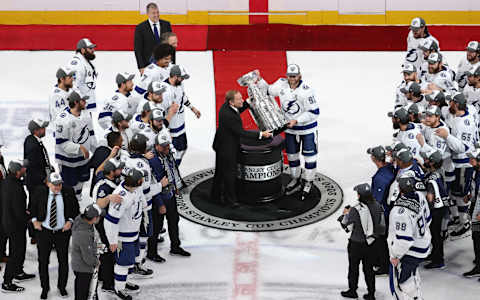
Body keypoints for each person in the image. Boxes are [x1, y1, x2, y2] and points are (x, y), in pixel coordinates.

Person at [257, 64, 319, 199]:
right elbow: (268, 90)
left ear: (299, 76)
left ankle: (308, 181)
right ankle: (295, 179)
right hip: (290, 130)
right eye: (290, 76)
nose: (292, 79)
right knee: (292, 156)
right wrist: (260, 80)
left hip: (307, 129)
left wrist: (297, 120)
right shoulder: (281, 84)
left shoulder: (307, 91)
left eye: (294, 76)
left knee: (310, 157)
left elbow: (314, 112)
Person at [211, 90, 272, 207]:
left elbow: (238, 109)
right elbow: (241, 132)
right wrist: (261, 134)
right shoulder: (229, 116)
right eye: (239, 99)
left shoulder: (227, 106)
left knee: (220, 172)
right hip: (227, 148)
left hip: (220, 144)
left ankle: (215, 195)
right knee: (229, 174)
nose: (242, 100)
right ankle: (230, 201)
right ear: (231, 102)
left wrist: (249, 102)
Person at [30, 172, 80, 299]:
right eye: (54, 184)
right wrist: (35, 221)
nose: (57, 187)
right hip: (44, 232)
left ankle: (62, 287)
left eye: (59, 184)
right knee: (43, 261)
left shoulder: (68, 192)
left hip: (62, 233)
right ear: (48, 183)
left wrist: (70, 221)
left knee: (63, 260)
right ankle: (45, 288)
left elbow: (75, 210)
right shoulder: (39, 192)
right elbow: (31, 208)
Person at [388, 172, 431, 300]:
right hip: (424, 242)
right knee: (412, 273)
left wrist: (395, 255)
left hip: (412, 251)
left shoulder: (399, 212)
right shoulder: (420, 196)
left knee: (403, 282)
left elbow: (405, 241)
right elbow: (428, 219)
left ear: (400, 189)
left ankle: (416, 297)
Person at [338, 183, 385, 300]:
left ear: (360, 196)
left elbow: (347, 227)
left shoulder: (355, 210)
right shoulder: (378, 206)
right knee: (369, 270)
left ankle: (352, 291)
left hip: (356, 244)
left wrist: (344, 215)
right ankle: (371, 293)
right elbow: (382, 227)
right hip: (371, 244)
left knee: (353, 268)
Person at [148, 131, 190, 260]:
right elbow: (154, 184)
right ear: (157, 146)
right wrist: (160, 204)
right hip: (159, 198)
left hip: (170, 194)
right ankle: (152, 253)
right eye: (164, 146)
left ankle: (175, 246)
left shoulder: (167, 152)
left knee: (173, 221)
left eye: (168, 145)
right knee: (156, 227)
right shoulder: (152, 160)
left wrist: (177, 186)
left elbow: (173, 169)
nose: (167, 148)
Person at [104, 168, 145, 300]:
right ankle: (119, 289)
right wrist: (113, 241)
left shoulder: (136, 189)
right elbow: (110, 221)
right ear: (138, 181)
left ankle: (123, 282)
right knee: (122, 263)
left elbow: (140, 200)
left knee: (128, 262)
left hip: (134, 233)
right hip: (123, 237)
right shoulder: (120, 198)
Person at [440, 93, 477, 237]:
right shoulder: (458, 117)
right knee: (453, 193)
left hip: (463, 164)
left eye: (451, 102)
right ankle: (456, 217)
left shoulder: (465, 123)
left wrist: (447, 136)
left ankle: (464, 221)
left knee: (460, 194)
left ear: (456, 104)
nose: (449, 105)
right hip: (456, 162)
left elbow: (462, 148)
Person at [55, 91, 97, 200]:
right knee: (68, 189)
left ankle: (77, 203)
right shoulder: (62, 119)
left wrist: (97, 151)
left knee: (80, 184)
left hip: (83, 160)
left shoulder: (86, 115)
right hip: (67, 162)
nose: (86, 102)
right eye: (83, 100)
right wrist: (80, 147)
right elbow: (61, 143)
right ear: (76, 102)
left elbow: (91, 135)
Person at [1, 160, 35, 293]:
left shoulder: (5, 182)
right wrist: (28, 217)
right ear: (17, 172)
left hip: (8, 222)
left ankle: (18, 272)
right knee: (15, 252)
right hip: (15, 225)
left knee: (19, 250)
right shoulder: (15, 187)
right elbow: (18, 210)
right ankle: (7, 282)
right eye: (22, 169)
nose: (24, 170)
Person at [92, 158, 124, 294]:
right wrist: (109, 198)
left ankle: (103, 276)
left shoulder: (104, 176)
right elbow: (99, 204)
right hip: (103, 223)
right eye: (118, 169)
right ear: (111, 172)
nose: (121, 171)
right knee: (108, 253)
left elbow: (98, 170)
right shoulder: (104, 186)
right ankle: (107, 282)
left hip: (107, 222)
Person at [163, 65, 201, 166]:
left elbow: (183, 97)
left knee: (183, 148)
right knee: (173, 154)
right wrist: (165, 131)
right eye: (181, 77)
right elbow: (161, 111)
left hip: (181, 125)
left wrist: (193, 108)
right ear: (175, 76)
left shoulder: (180, 84)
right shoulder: (165, 91)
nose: (183, 79)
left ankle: (176, 168)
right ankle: (172, 173)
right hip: (172, 129)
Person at [24, 118, 54, 244]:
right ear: (36, 130)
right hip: (37, 183)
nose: (45, 129)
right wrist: (44, 180)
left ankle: (35, 233)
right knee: (37, 207)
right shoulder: (33, 145)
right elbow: (31, 167)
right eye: (43, 128)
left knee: (35, 206)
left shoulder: (33, 141)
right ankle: (36, 234)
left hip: (37, 181)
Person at [368, 145, 395, 275]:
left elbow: (377, 200)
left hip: (383, 213)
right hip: (390, 210)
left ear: (374, 158)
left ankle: (384, 266)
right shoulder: (390, 167)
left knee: (381, 240)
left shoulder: (379, 177)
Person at [423, 151, 449, 269]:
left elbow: (430, 197)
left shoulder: (432, 179)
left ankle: (438, 260)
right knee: (437, 234)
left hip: (436, 209)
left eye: (429, 160)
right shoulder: (440, 171)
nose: (426, 161)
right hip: (443, 206)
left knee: (435, 234)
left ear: (433, 163)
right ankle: (435, 255)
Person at [71, 203, 104, 300]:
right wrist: (96, 262)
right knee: (83, 294)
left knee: (90, 292)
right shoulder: (83, 233)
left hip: (81, 264)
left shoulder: (80, 219)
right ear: (94, 219)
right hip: (84, 269)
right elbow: (88, 257)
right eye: (99, 217)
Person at [134, 2, 172, 73]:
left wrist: (172, 63)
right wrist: (141, 67)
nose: (156, 15)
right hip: (148, 66)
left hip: (165, 65)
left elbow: (171, 46)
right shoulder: (140, 28)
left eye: (157, 12)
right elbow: (138, 49)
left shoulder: (166, 25)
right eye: (153, 13)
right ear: (148, 14)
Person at [69, 38, 98, 117]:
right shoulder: (77, 63)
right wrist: (79, 103)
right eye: (90, 48)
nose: (93, 50)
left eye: (93, 48)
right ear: (82, 50)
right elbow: (73, 85)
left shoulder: (86, 62)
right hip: (80, 108)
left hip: (86, 106)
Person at [88, 131, 123, 197]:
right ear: (116, 143)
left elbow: (91, 164)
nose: (122, 142)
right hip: (102, 190)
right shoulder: (107, 155)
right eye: (121, 141)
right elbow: (98, 172)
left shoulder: (101, 149)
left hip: (97, 188)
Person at [463, 152, 480, 278]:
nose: (470, 160)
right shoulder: (475, 171)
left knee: (478, 237)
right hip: (475, 208)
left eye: (472, 159)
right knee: (475, 236)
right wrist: (470, 196)